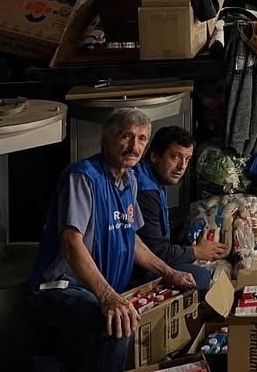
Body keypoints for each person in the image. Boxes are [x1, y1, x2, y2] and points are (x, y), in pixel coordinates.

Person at [27, 109, 197, 372]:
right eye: (126, 137)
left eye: (141, 139)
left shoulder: (130, 179)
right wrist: (109, 297)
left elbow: (132, 238)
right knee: (119, 323)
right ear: (106, 140)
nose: (134, 146)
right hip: (60, 288)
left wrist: (170, 272)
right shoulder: (83, 177)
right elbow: (71, 243)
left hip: (100, 288)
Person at [133, 126, 227, 292]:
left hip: (154, 258)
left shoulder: (152, 178)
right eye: (175, 157)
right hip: (137, 270)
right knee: (204, 279)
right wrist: (196, 252)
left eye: (187, 159)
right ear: (155, 155)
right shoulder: (144, 191)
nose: (181, 166)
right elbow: (158, 252)